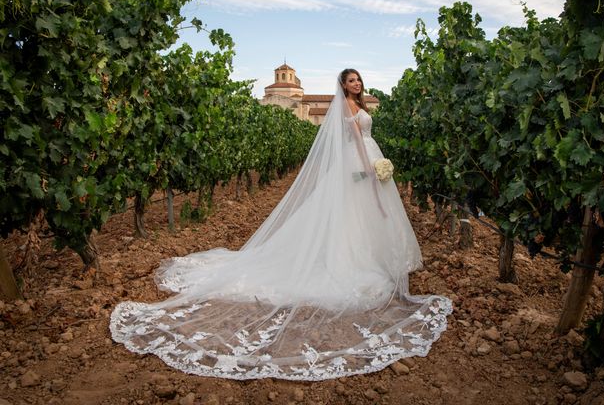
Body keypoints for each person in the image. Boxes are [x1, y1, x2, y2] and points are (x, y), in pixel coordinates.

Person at [110, 69, 452, 381]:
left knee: (356, 215)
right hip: (358, 163)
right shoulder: (346, 106)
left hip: (368, 157)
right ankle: (356, 259)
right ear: (342, 86)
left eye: (358, 80)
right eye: (351, 81)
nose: (356, 84)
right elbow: (355, 145)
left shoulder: (358, 104)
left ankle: (368, 256)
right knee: (356, 212)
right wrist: (368, 168)